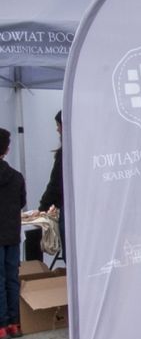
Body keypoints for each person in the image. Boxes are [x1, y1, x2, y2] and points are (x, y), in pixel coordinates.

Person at [0, 128, 25, 339]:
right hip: (12, 234)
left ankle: (1, 325)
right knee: (11, 278)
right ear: (7, 149)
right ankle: (14, 323)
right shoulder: (16, 177)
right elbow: (22, 202)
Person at [38, 111, 64, 260]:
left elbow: (56, 183)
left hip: (70, 210)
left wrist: (43, 208)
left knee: (72, 255)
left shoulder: (65, 153)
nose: (57, 129)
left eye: (58, 125)